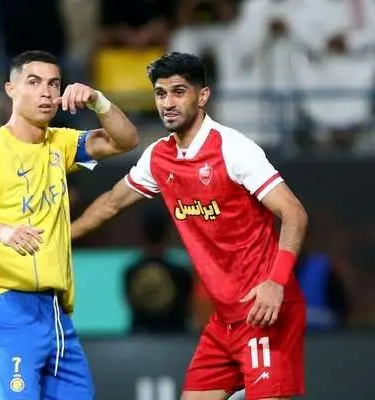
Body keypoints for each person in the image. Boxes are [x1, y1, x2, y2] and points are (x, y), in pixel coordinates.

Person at [71, 52, 308, 400]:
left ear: (202, 96)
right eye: (160, 93)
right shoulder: (159, 156)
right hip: (224, 321)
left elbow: (294, 212)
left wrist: (276, 281)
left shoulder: (233, 149)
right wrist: (62, 236)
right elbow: (111, 203)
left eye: (178, 92)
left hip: (264, 310)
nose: (168, 103)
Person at [0, 50, 138, 400]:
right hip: (7, 306)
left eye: (53, 84)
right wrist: (2, 231)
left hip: (55, 312)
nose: (46, 93)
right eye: (33, 82)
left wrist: (98, 101)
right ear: (11, 89)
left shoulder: (59, 144)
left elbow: (126, 140)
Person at [123, 207, 193, 334]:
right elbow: (188, 311)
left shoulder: (130, 273)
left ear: (142, 234)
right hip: (176, 340)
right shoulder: (182, 274)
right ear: (168, 235)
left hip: (139, 339)